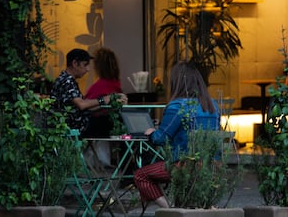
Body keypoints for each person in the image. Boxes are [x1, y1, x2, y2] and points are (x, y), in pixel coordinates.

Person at [133, 61, 220, 208]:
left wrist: (152, 132)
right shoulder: (212, 105)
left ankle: (171, 210)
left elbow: (161, 138)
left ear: (176, 82)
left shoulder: (177, 106)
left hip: (184, 166)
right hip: (212, 165)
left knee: (141, 175)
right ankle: (186, 208)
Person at [50, 48, 126, 133]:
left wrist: (108, 102)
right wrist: (105, 99)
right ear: (75, 63)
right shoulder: (67, 81)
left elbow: (82, 108)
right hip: (74, 128)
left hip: (74, 125)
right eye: (85, 65)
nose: (88, 69)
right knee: (117, 123)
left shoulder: (65, 79)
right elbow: (82, 104)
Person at [84, 47, 124, 137]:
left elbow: (85, 106)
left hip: (99, 127)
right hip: (111, 125)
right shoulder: (115, 84)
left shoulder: (100, 86)